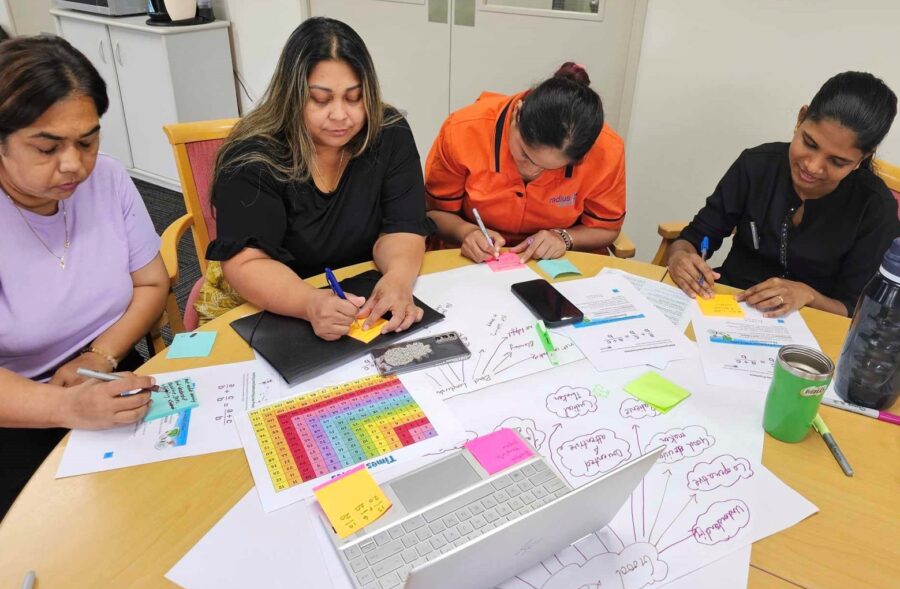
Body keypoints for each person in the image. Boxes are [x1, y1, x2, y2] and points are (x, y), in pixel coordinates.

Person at [0, 36, 168, 517]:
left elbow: (152, 283)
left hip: (107, 368)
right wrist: (65, 409)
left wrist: (102, 354)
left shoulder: (109, 179)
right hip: (19, 410)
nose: (74, 164)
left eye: (88, 141)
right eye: (47, 147)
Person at [197, 17, 434, 340]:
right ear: (291, 96)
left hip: (357, 299)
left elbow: (402, 226)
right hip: (271, 304)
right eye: (321, 100)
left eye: (354, 98)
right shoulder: (252, 157)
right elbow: (247, 263)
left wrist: (398, 278)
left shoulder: (387, 132)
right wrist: (308, 303)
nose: (340, 115)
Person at [666, 71, 898, 318]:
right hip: (729, 307)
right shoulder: (756, 166)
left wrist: (809, 295)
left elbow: (856, 308)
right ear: (801, 118)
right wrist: (681, 256)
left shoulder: (874, 208)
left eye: (837, 161)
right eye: (809, 143)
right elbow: (695, 237)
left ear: (862, 157)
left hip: (812, 327)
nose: (812, 166)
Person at [425, 62, 626, 264]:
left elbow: (606, 228)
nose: (531, 169)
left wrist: (564, 238)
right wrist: (466, 231)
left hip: (555, 265)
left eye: (549, 168)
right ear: (516, 114)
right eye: (524, 154)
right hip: (473, 260)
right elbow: (435, 212)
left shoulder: (605, 151)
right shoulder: (463, 130)